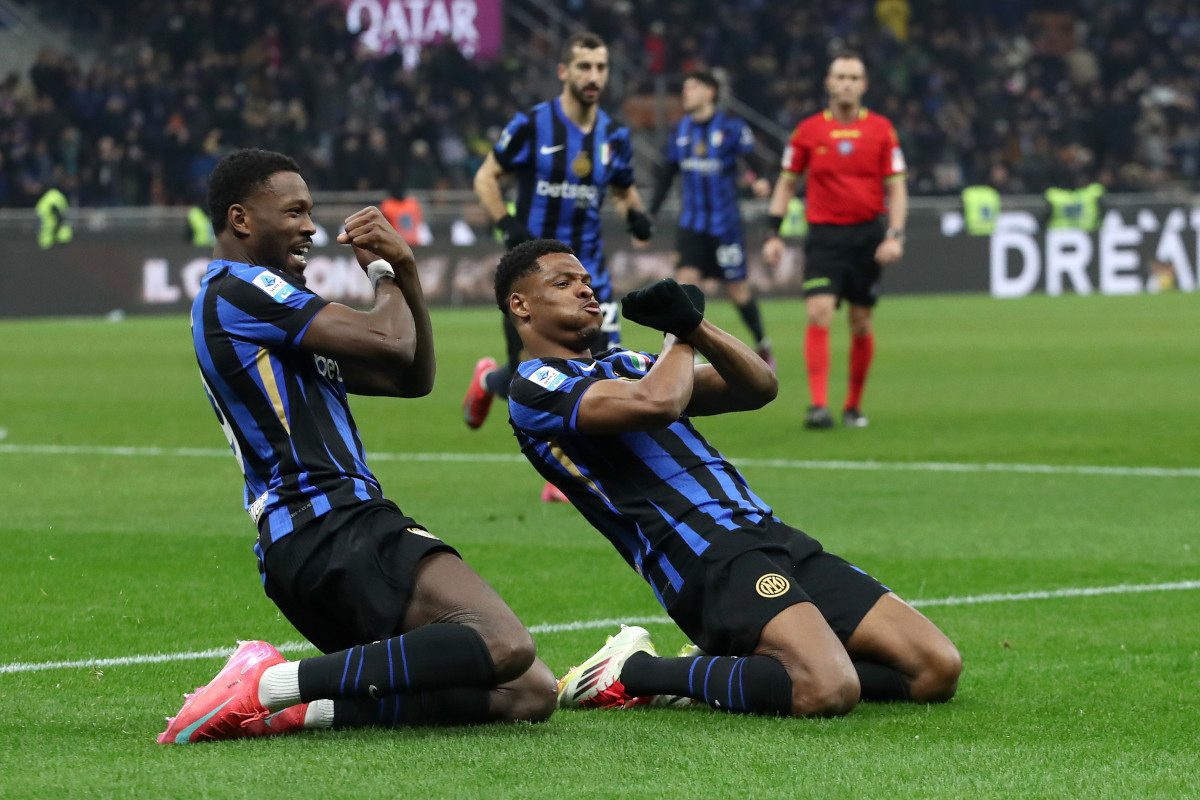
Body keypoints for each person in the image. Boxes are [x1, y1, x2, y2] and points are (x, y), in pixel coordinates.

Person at [159, 149, 555, 744]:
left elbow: (411, 378)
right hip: (331, 524)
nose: (310, 227)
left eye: (310, 212)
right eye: (293, 211)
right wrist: (384, 272)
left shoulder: (275, 315)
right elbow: (391, 342)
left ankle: (297, 708)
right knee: (502, 641)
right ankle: (267, 684)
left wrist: (408, 273)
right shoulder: (239, 291)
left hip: (310, 547)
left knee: (528, 692)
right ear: (241, 219)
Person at [496, 238, 960, 717]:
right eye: (564, 282)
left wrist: (697, 325)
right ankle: (634, 672)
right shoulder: (533, 387)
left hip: (767, 533)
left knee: (934, 669)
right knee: (826, 689)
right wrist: (679, 335)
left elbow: (758, 386)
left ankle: (742, 667)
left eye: (588, 282)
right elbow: (658, 403)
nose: (586, 291)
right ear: (520, 304)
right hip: (703, 556)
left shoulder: (626, 364)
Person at [464, 32, 654, 505]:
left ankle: (574, 471)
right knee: (529, 378)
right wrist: (505, 220)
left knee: (602, 368)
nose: (594, 77)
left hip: (590, 275)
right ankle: (489, 381)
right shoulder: (532, 125)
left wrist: (636, 214)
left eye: (602, 68)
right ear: (564, 71)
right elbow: (486, 176)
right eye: (585, 67)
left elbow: (624, 188)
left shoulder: (613, 135)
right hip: (533, 278)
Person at [763, 51, 908, 430]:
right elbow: (786, 183)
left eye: (853, 77)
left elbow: (898, 188)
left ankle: (853, 406)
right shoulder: (808, 131)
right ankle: (818, 406)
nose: (846, 83)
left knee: (860, 321)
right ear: (828, 83)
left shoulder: (882, 130)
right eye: (840, 76)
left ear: (864, 85)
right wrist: (773, 233)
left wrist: (894, 234)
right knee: (819, 312)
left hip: (868, 236)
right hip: (825, 237)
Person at [647, 70, 775, 368]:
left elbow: (760, 163)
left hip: (725, 227)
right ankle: (680, 351)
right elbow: (666, 176)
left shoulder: (731, 128)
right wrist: (650, 214)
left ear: (710, 92)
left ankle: (762, 343)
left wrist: (760, 180)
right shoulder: (680, 130)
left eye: (692, 87)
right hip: (692, 224)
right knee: (685, 284)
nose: (686, 93)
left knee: (738, 291)